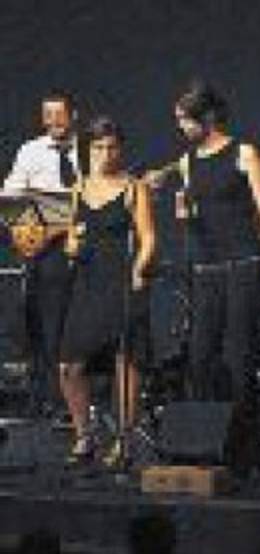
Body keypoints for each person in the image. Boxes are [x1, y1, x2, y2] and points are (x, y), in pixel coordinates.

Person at [152, 79, 260, 478]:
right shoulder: (187, 161)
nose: (181, 127)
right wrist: (177, 206)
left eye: (185, 120)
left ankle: (245, 453)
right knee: (200, 358)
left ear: (208, 117)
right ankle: (208, 444)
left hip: (243, 264)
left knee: (240, 359)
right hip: (206, 268)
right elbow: (178, 192)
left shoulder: (243, 153)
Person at [58, 116, 156, 468]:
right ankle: (84, 435)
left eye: (111, 147)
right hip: (88, 282)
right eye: (98, 147)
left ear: (120, 149)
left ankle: (124, 439)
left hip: (121, 282)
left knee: (125, 360)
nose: (105, 154)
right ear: (88, 149)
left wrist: (139, 268)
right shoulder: (78, 188)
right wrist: (71, 244)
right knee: (70, 365)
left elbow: (149, 238)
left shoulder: (133, 188)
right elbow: (72, 237)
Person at [2, 90, 81, 420]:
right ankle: (51, 399)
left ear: (73, 115)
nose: (53, 121)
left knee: (77, 326)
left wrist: (65, 212)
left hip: (87, 246)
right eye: (47, 115)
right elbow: (9, 198)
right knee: (47, 325)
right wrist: (33, 233)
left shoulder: (91, 148)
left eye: (59, 114)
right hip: (47, 251)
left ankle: (79, 400)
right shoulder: (30, 151)